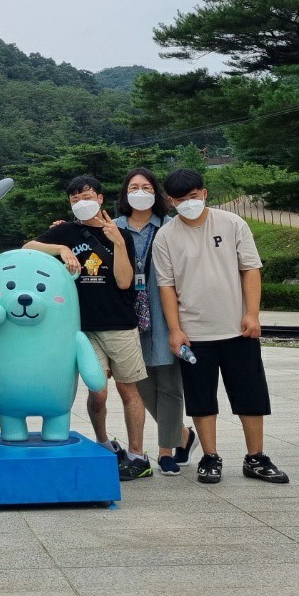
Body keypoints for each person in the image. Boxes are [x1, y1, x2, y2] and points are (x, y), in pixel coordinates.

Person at [154, 168, 290, 485]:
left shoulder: (232, 224)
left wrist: (252, 314)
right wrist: (175, 329)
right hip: (194, 334)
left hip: (238, 329)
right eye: (180, 200)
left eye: (193, 196)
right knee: (201, 399)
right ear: (171, 201)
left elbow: (250, 269)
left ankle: (256, 457)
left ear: (204, 193)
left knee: (251, 394)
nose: (188, 203)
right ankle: (210, 457)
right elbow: (166, 286)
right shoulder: (166, 236)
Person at [25, 174, 150, 480]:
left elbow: (124, 281)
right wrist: (60, 249)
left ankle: (137, 455)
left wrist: (117, 241)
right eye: (75, 199)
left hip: (120, 325)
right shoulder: (66, 231)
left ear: (100, 198)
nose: (81, 203)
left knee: (129, 390)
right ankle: (104, 443)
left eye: (87, 197)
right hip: (84, 327)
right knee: (98, 391)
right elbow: (28, 247)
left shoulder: (122, 234)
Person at [114, 169, 196, 476]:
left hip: (166, 312)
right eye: (133, 187)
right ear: (125, 193)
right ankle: (183, 435)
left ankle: (165, 451)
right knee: (141, 385)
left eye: (146, 187)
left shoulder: (171, 226)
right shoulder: (114, 227)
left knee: (170, 384)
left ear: (156, 193)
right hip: (127, 314)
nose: (140, 192)